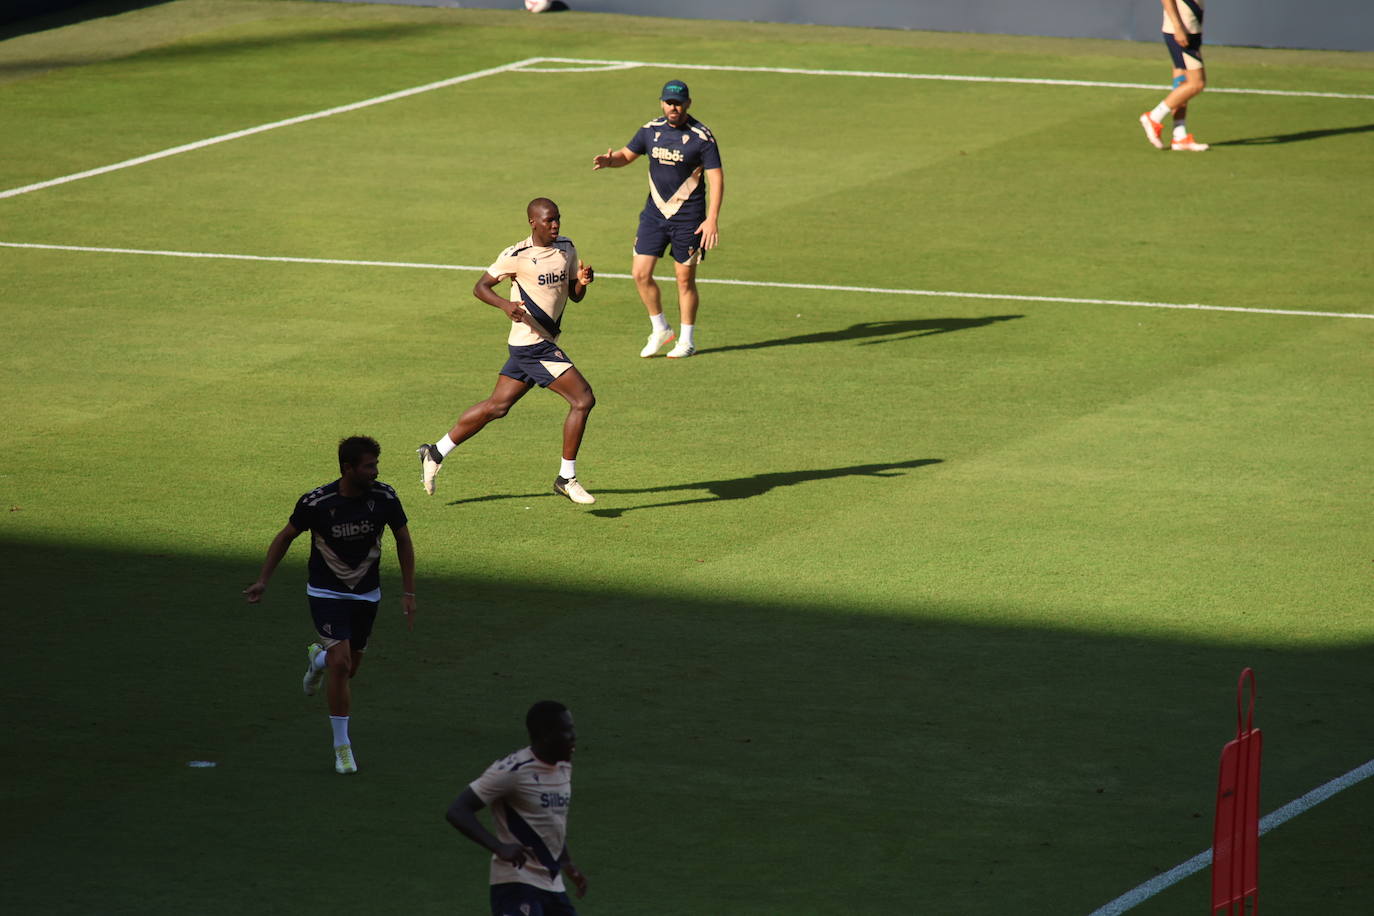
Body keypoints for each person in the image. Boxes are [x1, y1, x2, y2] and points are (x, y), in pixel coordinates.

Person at [242, 435, 416, 775]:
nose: (375, 471)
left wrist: (408, 592)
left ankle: (317, 660)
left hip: (366, 593)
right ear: (347, 468)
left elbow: (403, 541)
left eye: (376, 464)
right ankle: (342, 747)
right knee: (341, 663)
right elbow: (285, 536)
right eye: (369, 466)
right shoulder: (317, 502)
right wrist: (263, 580)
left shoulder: (384, 497)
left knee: (348, 669)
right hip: (326, 591)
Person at [417, 198, 597, 505]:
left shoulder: (566, 247)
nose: (555, 225)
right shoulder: (517, 256)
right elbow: (480, 287)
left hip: (542, 342)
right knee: (583, 399)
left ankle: (435, 452)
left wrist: (582, 282)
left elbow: (574, 295)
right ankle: (566, 478)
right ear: (533, 222)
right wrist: (505, 305)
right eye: (549, 220)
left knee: (497, 406)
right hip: (532, 345)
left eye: (558, 219)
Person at [593, 78, 724, 358]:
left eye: (678, 103)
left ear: (688, 104)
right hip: (654, 216)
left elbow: (716, 178)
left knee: (684, 279)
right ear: (662, 103)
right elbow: (627, 155)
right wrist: (611, 161)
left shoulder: (702, 137)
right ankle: (660, 329)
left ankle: (686, 340)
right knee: (640, 273)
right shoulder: (650, 131)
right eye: (669, 102)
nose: (673, 107)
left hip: (689, 219)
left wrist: (711, 219)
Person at [446, 701, 588, 916]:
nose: (573, 736)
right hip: (516, 882)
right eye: (566, 731)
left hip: (552, 883)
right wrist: (499, 847)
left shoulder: (563, 766)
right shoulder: (513, 771)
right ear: (546, 735)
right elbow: (458, 810)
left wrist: (567, 863)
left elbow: (551, 820)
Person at [1139, 0, 1210, 152]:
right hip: (1181, 32)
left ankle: (1179, 136)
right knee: (1197, 83)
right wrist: (1178, 27)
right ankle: (1153, 117)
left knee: (1182, 83)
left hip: (1191, 29)